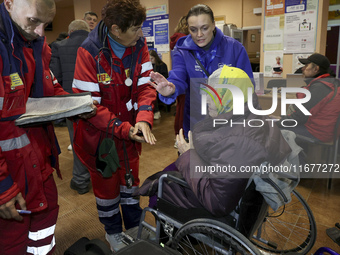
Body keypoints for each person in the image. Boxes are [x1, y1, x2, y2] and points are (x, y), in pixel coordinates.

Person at [0, 0, 96, 254]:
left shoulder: (36, 46)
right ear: (9, 3)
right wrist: (2, 188)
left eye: (46, 24)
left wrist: (79, 105)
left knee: (43, 228)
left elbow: (49, 91)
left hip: (38, 160)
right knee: (12, 240)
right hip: (8, 172)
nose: (41, 32)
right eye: (34, 21)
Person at [136, 65, 292, 218]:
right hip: (222, 179)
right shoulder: (248, 115)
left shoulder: (239, 142)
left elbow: (217, 202)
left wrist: (188, 154)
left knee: (161, 187)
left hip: (212, 201)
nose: (207, 100)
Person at [72, 0, 156, 252]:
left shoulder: (139, 47)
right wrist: (123, 128)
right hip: (100, 140)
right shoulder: (88, 52)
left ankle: (133, 230)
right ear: (116, 29)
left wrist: (143, 118)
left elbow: (145, 87)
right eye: (136, 28)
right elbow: (89, 107)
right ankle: (113, 234)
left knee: (130, 186)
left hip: (129, 134)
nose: (141, 33)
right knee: (107, 191)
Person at [149, 4, 253, 138]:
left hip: (228, 125)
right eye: (193, 29)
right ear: (188, 28)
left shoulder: (234, 48)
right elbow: (178, 77)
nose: (199, 35)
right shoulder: (181, 50)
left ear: (214, 25)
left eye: (205, 28)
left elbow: (247, 87)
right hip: (196, 123)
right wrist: (171, 88)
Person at [50, 20, 91, 194]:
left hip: (70, 101)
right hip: (95, 99)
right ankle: (103, 177)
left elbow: (55, 76)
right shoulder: (96, 44)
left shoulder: (59, 46)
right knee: (99, 139)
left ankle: (81, 181)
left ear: (70, 31)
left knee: (77, 141)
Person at [276, 53, 340, 143]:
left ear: (316, 69)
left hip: (316, 132)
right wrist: (281, 119)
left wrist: (277, 122)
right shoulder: (329, 84)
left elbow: (300, 116)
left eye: (306, 65)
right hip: (322, 129)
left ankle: (294, 157)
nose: (303, 68)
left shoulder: (320, 88)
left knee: (272, 131)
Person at [170, 15, 189, 147]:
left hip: (181, 81)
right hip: (187, 82)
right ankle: (182, 136)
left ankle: (179, 135)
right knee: (184, 110)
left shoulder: (176, 41)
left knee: (180, 108)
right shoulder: (184, 42)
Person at [149, 50, 168, 119]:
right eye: (149, 59)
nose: (150, 60)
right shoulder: (149, 66)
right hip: (152, 84)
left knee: (153, 92)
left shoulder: (162, 65)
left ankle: (156, 112)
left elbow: (165, 77)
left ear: (156, 58)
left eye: (152, 58)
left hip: (161, 85)